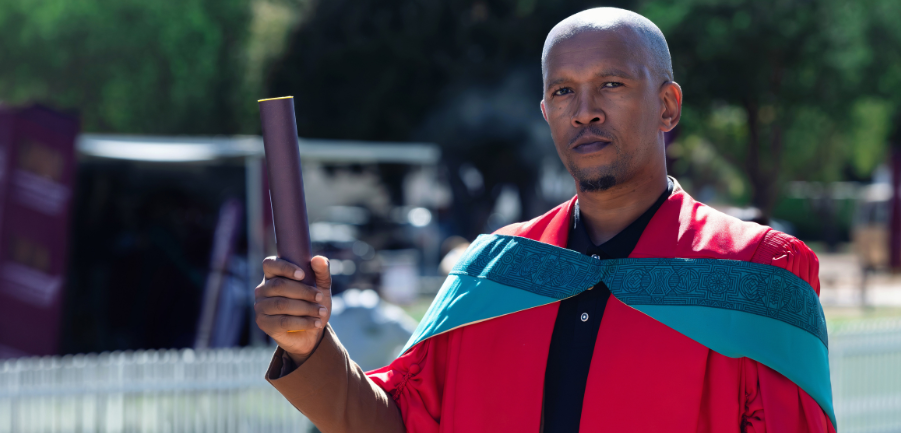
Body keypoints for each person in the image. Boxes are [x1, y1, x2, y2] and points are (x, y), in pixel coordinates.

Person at [254, 7, 835, 433]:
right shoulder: (494, 273)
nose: (585, 111)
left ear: (667, 105)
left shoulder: (757, 276)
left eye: (611, 84)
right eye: (563, 91)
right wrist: (310, 346)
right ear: (545, 111)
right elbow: (398, 424)